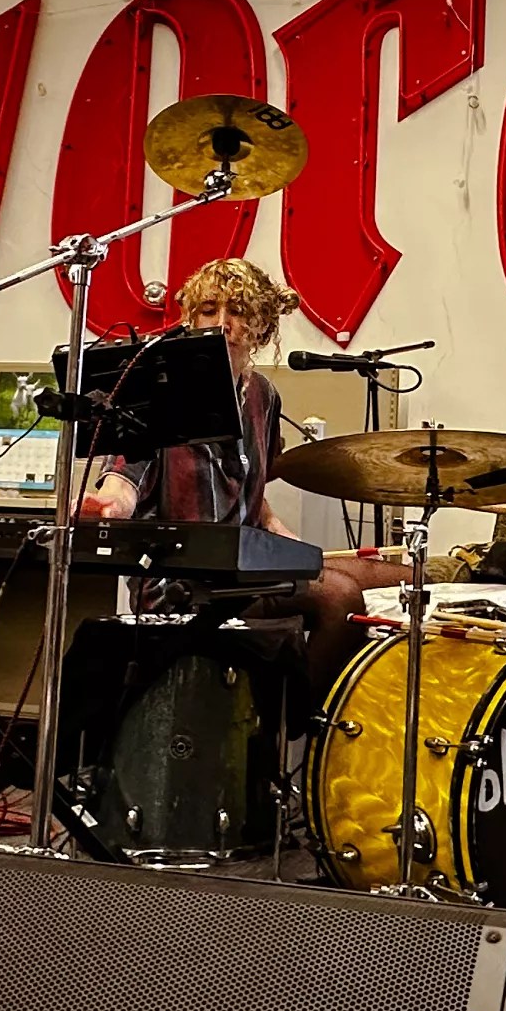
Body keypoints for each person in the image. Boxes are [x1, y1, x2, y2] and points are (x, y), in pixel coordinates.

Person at [79, 257, 404, 697]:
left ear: (261, 327)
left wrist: (275, 530)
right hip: (188, 585)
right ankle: (298, 723)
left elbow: (250, 487)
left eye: (237, 312)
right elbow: (123, 480)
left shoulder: (263, 397)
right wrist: (107, 506)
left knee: (396, 575)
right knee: (339, 596)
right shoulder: (162, 395)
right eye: (209, 310)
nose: (222, 324)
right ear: (190, 319)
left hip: (247, 566)